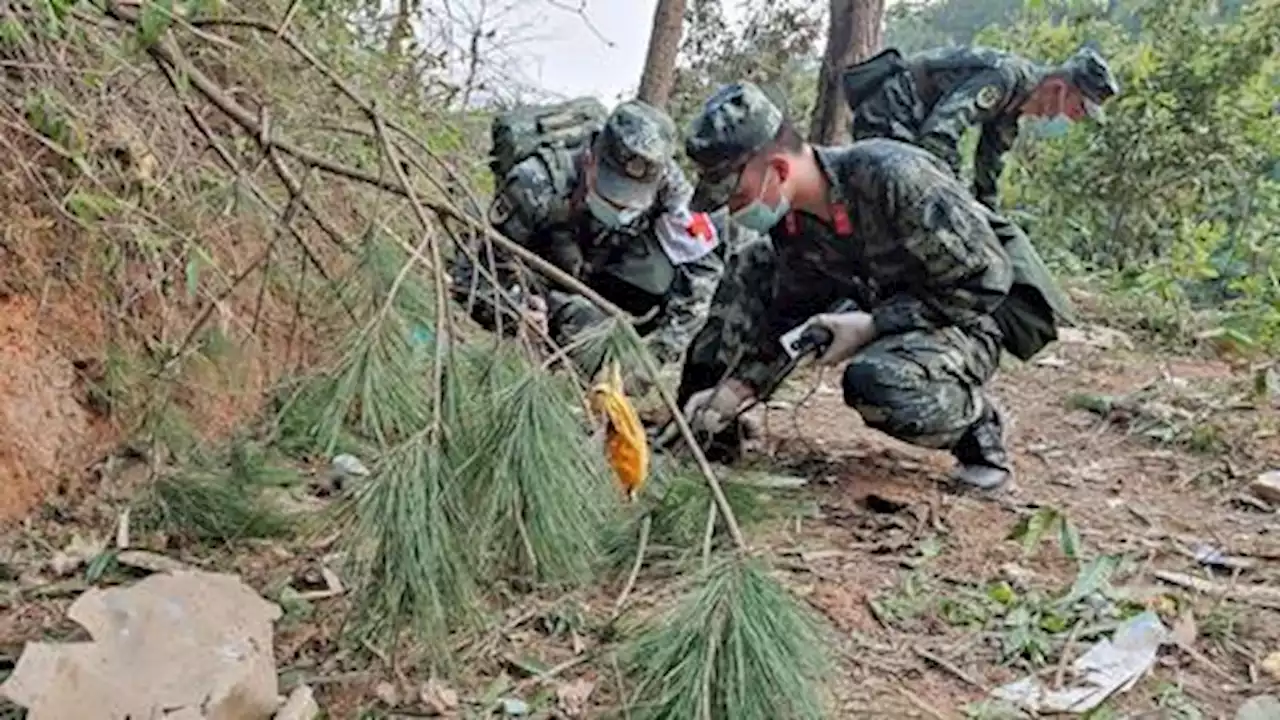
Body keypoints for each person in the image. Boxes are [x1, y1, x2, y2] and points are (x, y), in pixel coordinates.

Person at [676, 82, 1073, 492]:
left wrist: (874, 325)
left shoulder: (895, 177)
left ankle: (979, 429)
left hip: (971, 315)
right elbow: (792, 313)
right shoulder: (793, 225)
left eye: (737, 195)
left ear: (778, 170)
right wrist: (742, 386)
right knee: (753, 262)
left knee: (877, 383)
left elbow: (986, 281)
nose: (735, 210)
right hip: (883, 305)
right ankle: (704, 427)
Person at [453, 99, 724, 385]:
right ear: (590, 161)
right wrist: (516, 310)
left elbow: (702, 274)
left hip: (607, 266)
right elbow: (469, 276)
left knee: (663, 275)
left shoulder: (673, 189)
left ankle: (606, 336)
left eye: (632, 203)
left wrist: (656, 357)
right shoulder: (535, 183)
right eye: (611, 194)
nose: (621, 208)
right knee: (571, 317)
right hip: (544, 271)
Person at [842, 45, 1119, 210]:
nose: (1075, 118)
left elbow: (987, 175)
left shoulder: (1013, 110)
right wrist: (957, 199)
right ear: (1059, 88)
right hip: (892, 109)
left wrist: (988, 222)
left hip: (913, 122)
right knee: (894, 198)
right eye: (1079, 107)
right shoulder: (1005, 78)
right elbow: (939, 135)